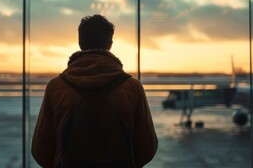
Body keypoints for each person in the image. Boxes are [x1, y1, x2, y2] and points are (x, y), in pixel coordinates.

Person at [32, 14, 158, 167]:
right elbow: (147, 147)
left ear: (80, 42)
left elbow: (40, 149)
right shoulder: (132, 87)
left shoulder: (55, 87)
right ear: (110, 44)